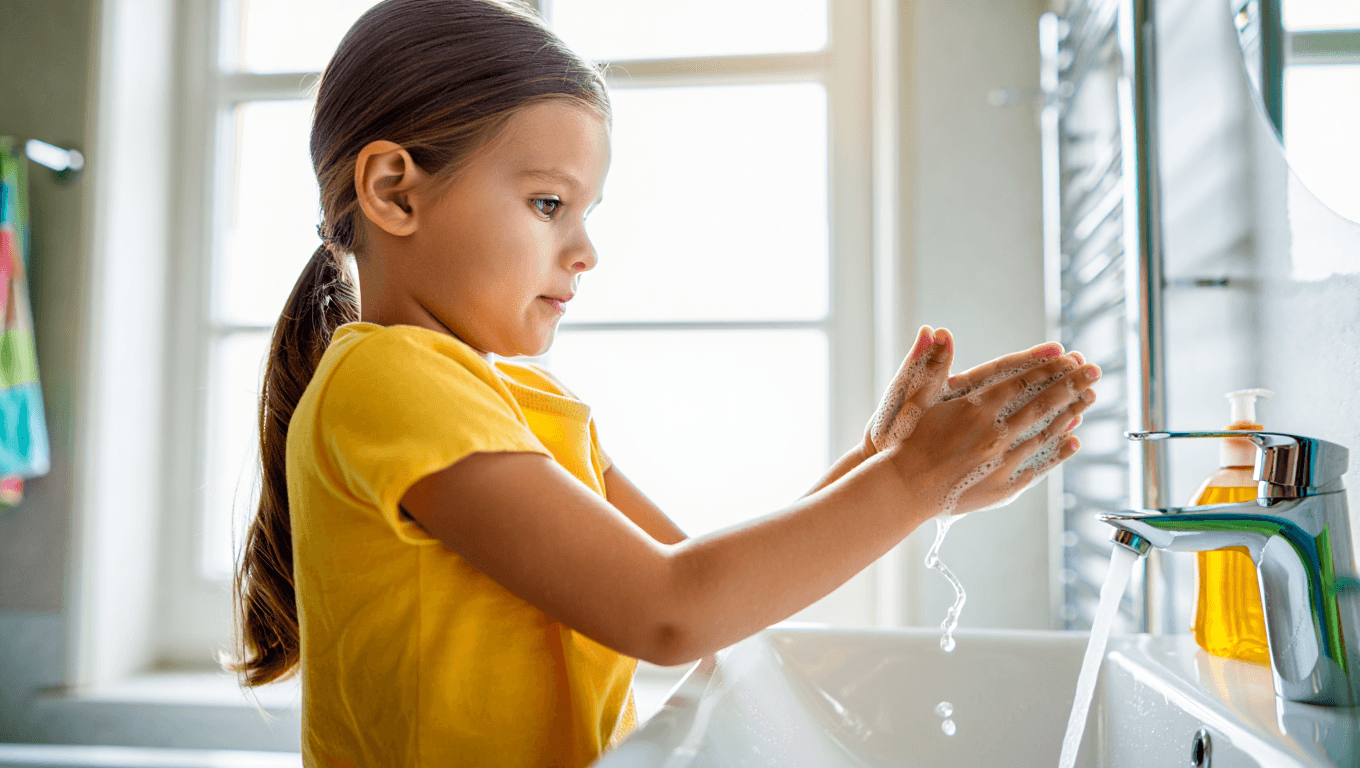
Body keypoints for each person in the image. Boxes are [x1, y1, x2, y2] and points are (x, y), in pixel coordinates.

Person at [225, 1, 1100, 765]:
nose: (585, 251)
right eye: (548, 204)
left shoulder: (512, 401)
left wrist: (890, 466)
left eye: (586, 213)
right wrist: (908, 482)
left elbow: (710, 597)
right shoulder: (388, 378)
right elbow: (669, 613)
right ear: (394, 192)